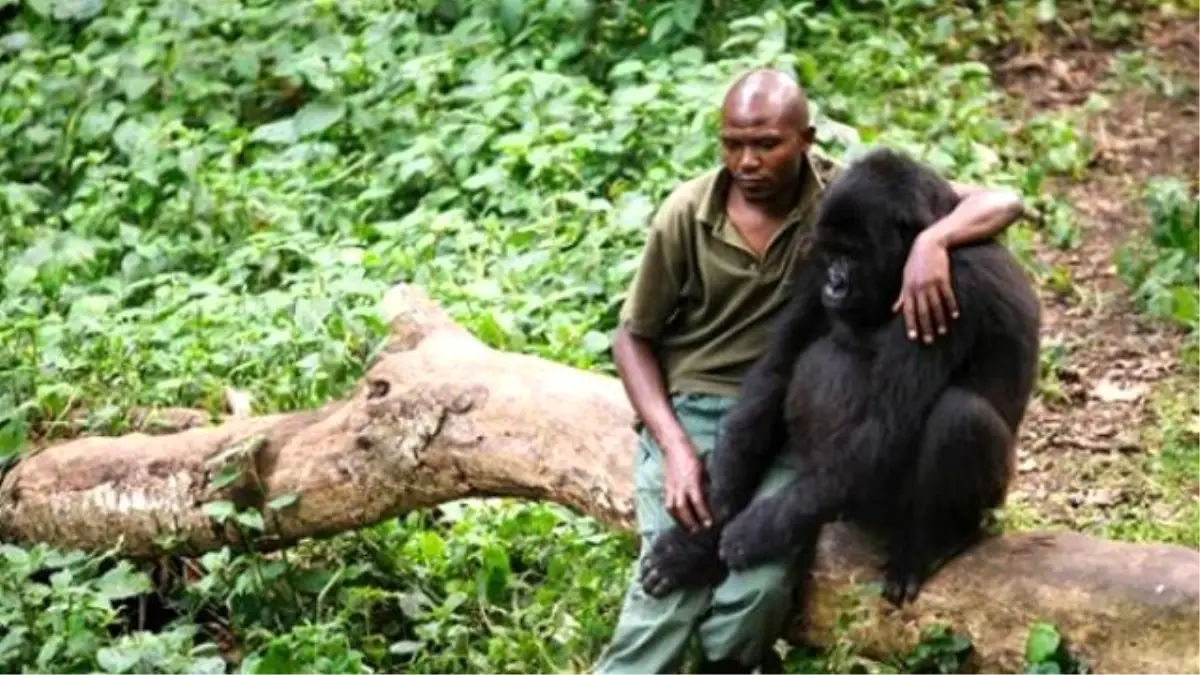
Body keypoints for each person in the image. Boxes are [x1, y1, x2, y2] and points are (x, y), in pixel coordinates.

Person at [592, 68, 1026, 675]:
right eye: (732, 144)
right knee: (680, 574)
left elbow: (891, 432)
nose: (835, 279)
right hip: (789, 432)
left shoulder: (945, 284)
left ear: (804, 142)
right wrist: (713, 514)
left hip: (935, 468)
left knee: (958, 420)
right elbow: (774, 370)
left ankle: (933, 541)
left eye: (767, 144)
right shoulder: (797, 217)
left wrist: (774, 519)